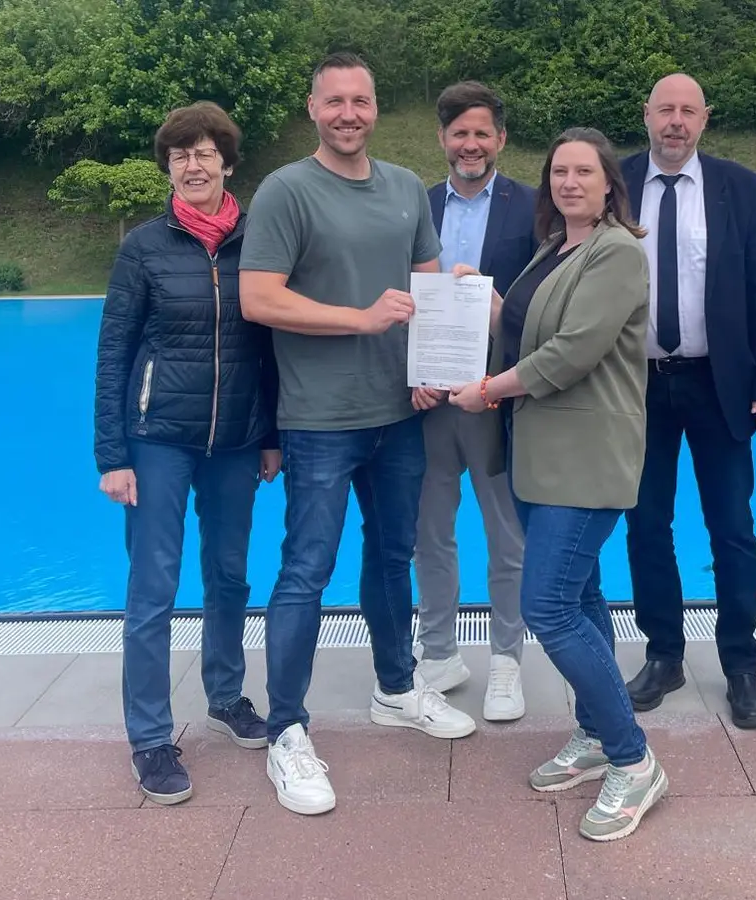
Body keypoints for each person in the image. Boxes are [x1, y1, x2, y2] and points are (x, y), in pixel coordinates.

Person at [238, 52, 476, 817]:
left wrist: (441, 338)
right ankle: (286, 731)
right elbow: (258, 299)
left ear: (377, 108)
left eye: (362, 101)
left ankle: (397, 687)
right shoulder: (285, 191)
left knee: (393, 556)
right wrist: (360, 320)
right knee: (306, 567)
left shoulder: (407, 187)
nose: (349, 113)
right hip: (318, 418)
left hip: (400, 413)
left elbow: (428, 291)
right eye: (335, 101)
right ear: (313, 108)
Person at [448, 126, 668, 842]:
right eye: (559, 173)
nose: (570, 182)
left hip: (586, 454)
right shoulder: (556, 250)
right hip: (539, 452)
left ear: (610, 183)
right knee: (581, 594)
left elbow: (570, 353)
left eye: (584, 171)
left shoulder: (619, 253)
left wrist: (488, 389)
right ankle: (598, 732)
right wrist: (470, 300)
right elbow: (522, 325)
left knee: (546, 605)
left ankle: (633, 760)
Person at [92, 101, 280, 805]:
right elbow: (113, 349)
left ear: (227, 162)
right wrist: (112, 453)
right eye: (180, 156)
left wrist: (271, 435)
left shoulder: (258, 241)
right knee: (153, 587)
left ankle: (226, 696)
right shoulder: (144, 245)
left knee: (229, 576)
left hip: (235, 440)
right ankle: (149, 736)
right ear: (167, 168)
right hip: (157, 440)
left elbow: (269, 347)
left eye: (204, 153)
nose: (193, 166)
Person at [617, 73, 756, 729]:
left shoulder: (741, 189)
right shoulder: (617, 183)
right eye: (665, 109)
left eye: (688, 111)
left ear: (704, 120)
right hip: (636, 384)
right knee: (646, 526)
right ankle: (663, 655)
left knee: (733, 529)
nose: (676, 122)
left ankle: (742, 665)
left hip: (721, 384)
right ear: (647, 114)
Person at [412, 81, 540, 720]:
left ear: (500, 139)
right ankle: (438, 652)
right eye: (459, 133)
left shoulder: (533, 209)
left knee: (505, 532)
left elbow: (545, 306)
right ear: (442, 139)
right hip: (427, 397)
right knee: (429, 530)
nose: (470, 144)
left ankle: (507, 661)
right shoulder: (414, 204)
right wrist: (412, 373)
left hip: (497, 394)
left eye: (481, 133)